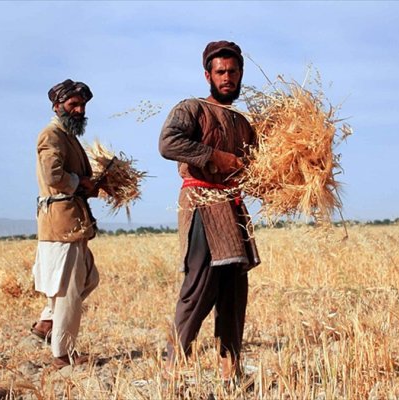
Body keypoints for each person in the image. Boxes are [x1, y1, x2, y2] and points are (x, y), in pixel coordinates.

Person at [158, 40, 261, 380]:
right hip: (202, 202)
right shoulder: (192, 108)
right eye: (220, 72)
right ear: (208, 75)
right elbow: (168, 142)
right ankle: (173, 368)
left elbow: (257, 164)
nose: (227, 77)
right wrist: (216, 158)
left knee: (233, 291)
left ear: (240, 73)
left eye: (232, 71)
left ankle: (230, 370)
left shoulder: (243, 121)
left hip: (232, 207)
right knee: (199, 286)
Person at [30, 79, 101, 369]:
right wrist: (80, 183)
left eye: (82, 105)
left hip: (73, 222)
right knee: (69, 291)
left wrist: (92, 184)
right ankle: (62, 354)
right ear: (58, 106)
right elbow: (53, 176)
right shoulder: (52, 135)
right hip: (61, 224)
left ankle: (47, 322)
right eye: (73, 104)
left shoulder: (67, 136)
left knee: (88, 279)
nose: (79, 110)